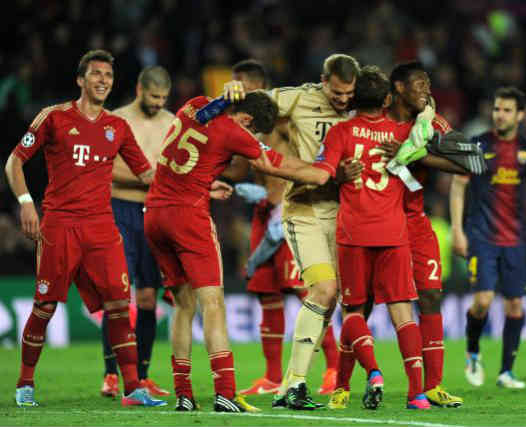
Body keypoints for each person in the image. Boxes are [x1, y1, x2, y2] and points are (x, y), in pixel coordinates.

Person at [143, 90, 332, 412]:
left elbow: (188, 155)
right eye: (254, 132)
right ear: (247, 121)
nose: (252, 138)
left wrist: (204, 182)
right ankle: (225, 393)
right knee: (213, 304)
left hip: (155, 214)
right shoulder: (233, 130)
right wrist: (323, 171)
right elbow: (275, 164)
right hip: (188, 218)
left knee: (183, 305)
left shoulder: (195, 105)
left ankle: (184, 395)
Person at [5, 49, 165, 408]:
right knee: (45, 306)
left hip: (102, 229)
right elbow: (15, 161)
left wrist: (195, 185)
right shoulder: (54, 118)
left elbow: (147, 175)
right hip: (60, 226)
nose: (103, 80)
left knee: (120, 307)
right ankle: (25, 383)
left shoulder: (117, 127)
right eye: (96, 74)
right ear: (81, 79)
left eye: (108, 75)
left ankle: (133, 388)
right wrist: (26, 203)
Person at [276, 65, 432, 409]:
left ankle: (373, 371)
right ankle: (417, 393)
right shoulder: (402, 133)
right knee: (403, 313)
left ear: (353, 99)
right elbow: (426, 133)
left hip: (353, 234)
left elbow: (323, 173)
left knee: (353, 312)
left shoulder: (340, 133)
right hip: (393, 233)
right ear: (389, 99)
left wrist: (281, 167)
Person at [224, 53, 360, 410]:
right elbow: (253, 107)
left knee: (337, 299)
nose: (343, 100)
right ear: (322, 80)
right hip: (306, 210)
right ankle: (294, 383)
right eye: (337, 92)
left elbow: (406, 107)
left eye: (349, 94)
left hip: (349, 213)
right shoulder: (298, 97)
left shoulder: (361, 103)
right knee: (321, 290)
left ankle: (297, 383)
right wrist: (230, 96)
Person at [329, 61, 465, 410]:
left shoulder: (430, 124)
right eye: (420, 83)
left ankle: (431, 386)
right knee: (362, 305)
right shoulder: (382, 119)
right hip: (380, 220)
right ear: (397, 89)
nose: (427, 90)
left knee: (430, 297)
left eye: (429, 82)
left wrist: (413, 155)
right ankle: (342, 384)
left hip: (413, 223)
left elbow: (466, 163)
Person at [450, 86, 526, 389]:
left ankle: (505, 372)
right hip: (482, 236)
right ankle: (473, 351)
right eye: (497, 109)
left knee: (515, 306)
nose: (499, 114)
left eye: (507, 110)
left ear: (520, 115)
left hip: (515, 238)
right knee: (483, 301)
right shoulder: (477, 145)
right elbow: (459, 187)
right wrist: (457, 230)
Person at [100, 66, 174, 399]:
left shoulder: (172, 122)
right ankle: (110, 374)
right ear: (140, 89)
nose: (158, 104)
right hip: (120, 208)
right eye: (154, 97)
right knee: (118, 295)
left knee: (147, 297)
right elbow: (108, 166)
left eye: (163, 99)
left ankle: (142, 375)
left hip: (155, 213)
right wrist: (147, 175)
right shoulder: (116, 119)